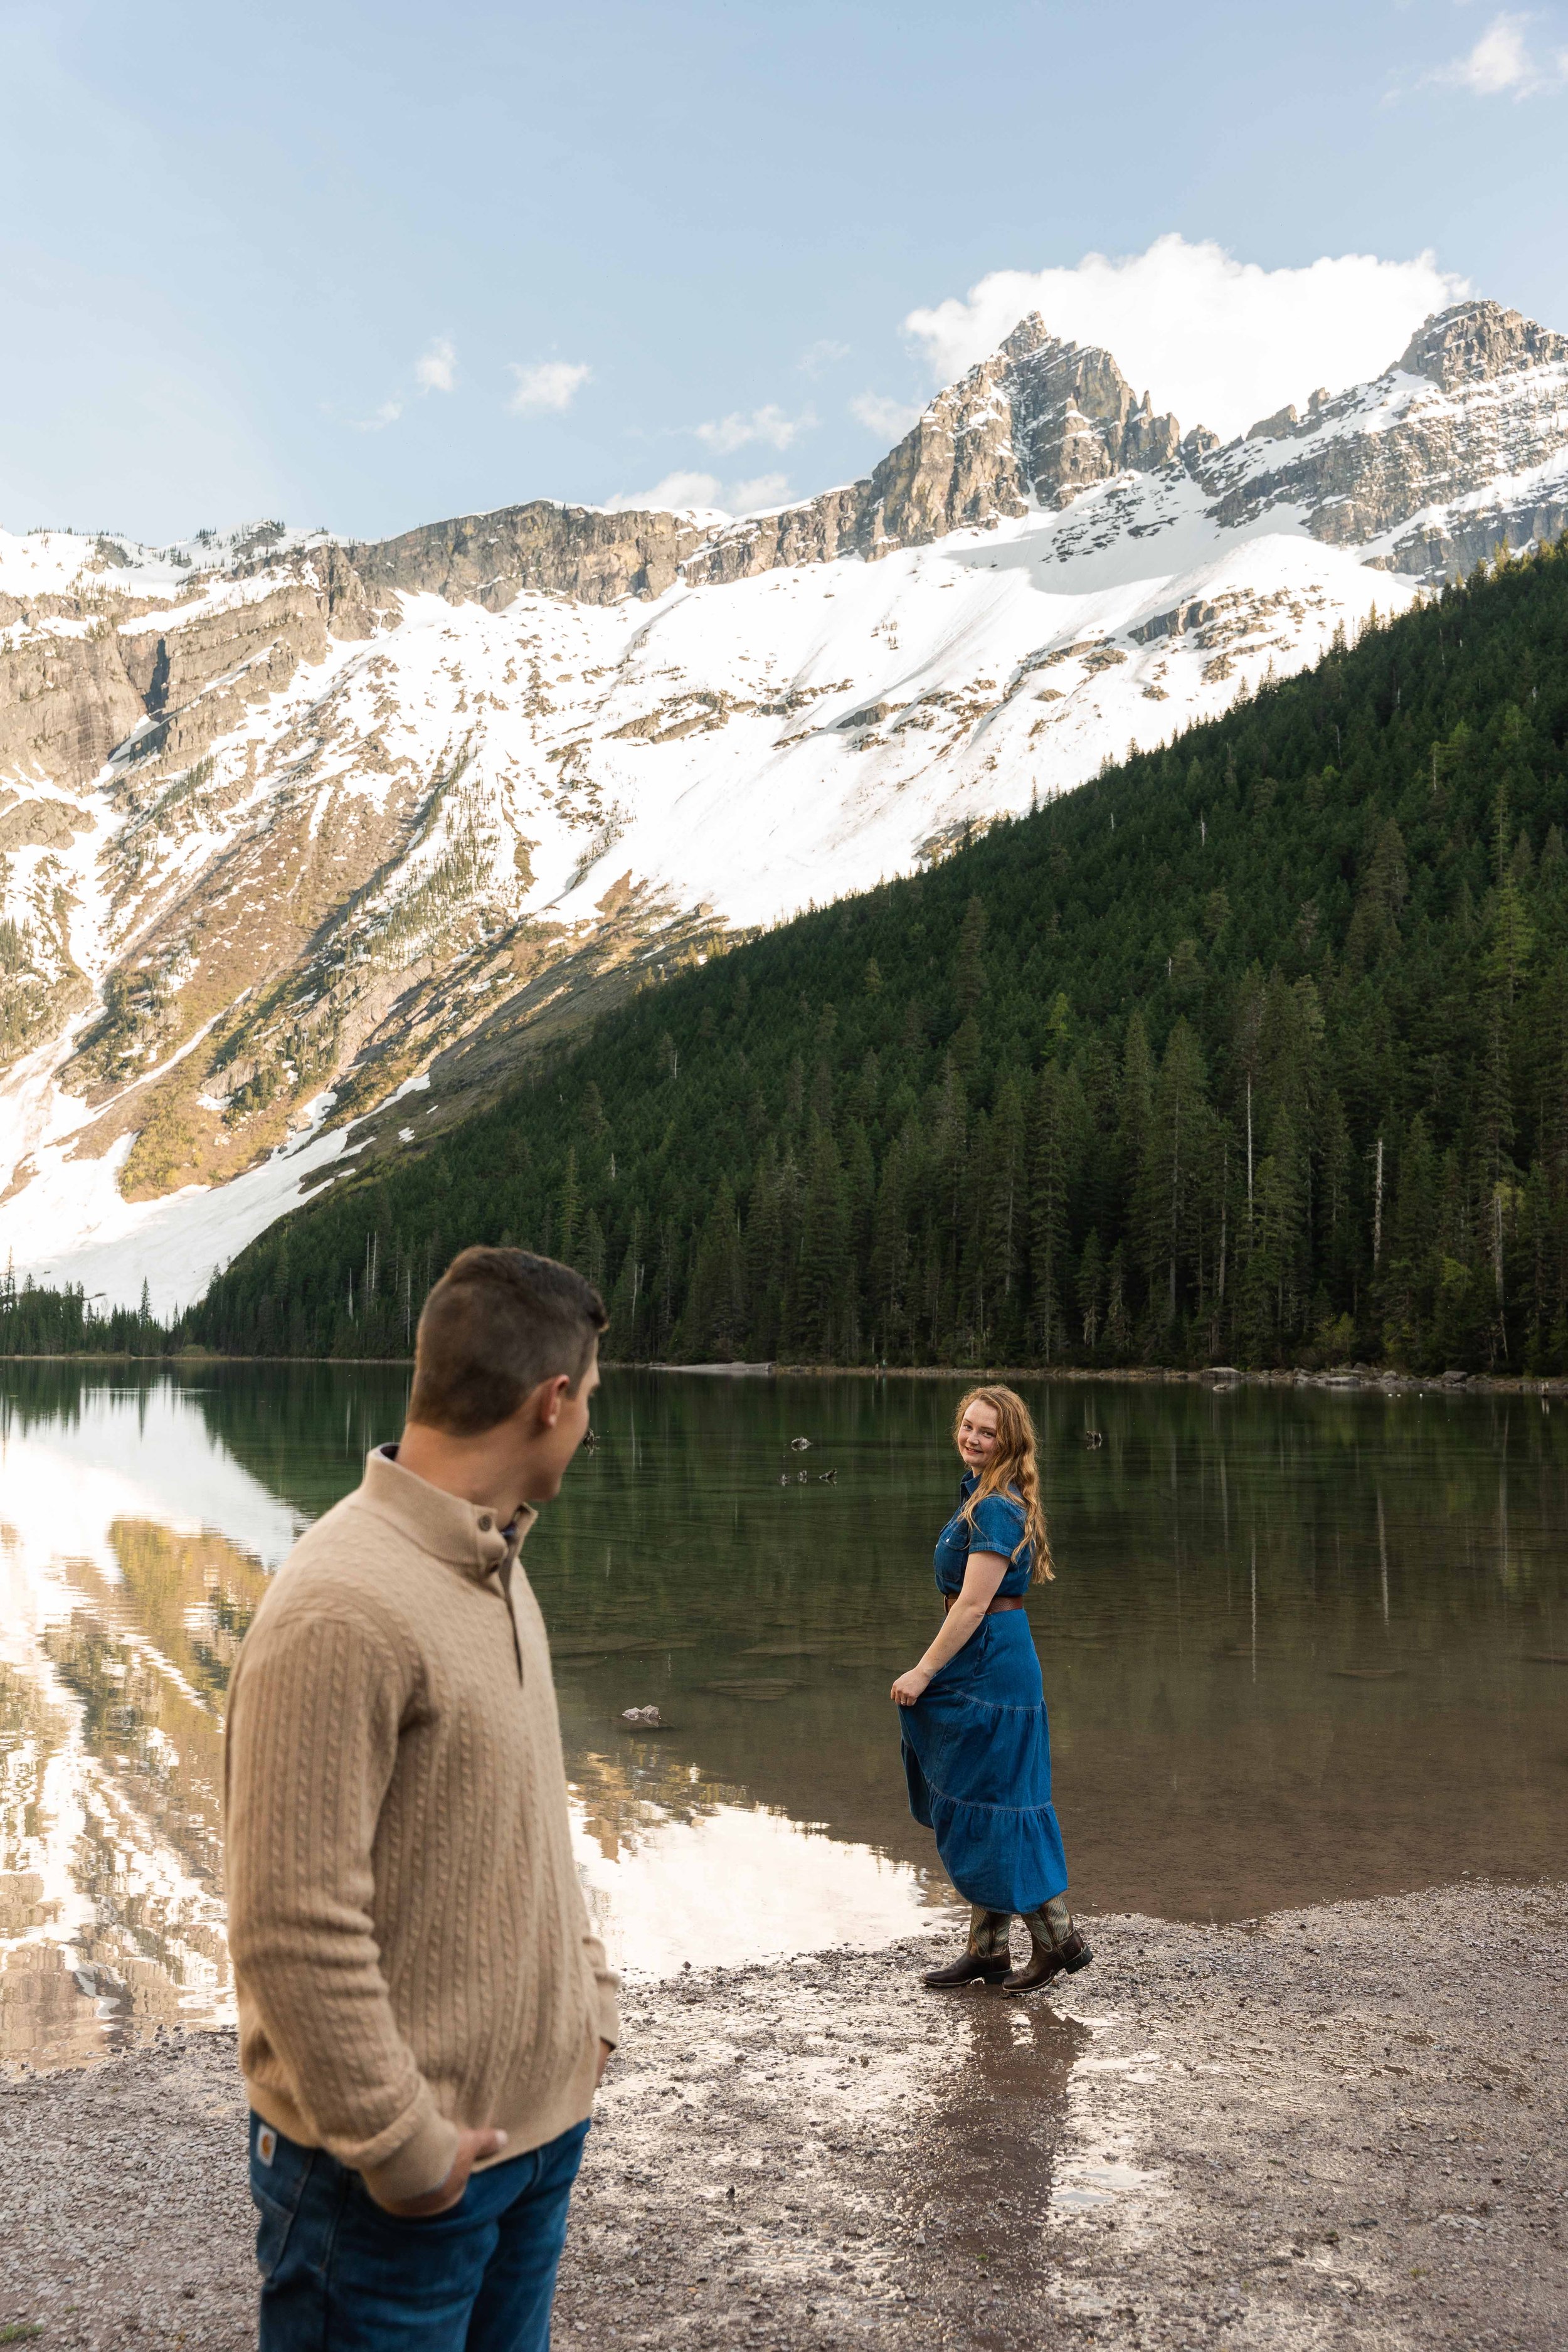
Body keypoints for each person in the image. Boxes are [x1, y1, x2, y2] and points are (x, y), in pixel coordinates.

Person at [224, 1247, 618, 2352]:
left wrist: (589, 2010)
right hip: (389, 2196)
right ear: (551, 1402)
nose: (589, 1422)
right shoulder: (341, 1607)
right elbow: (289, 1922)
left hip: (534, 2150)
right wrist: (401, 2148)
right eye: (591, 1398)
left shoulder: (495, 1559)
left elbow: (525, 1823)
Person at [892, 1384, 1092, 1994]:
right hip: (985, 1656)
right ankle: (988, 1950)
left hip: (991, 1662)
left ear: (1009, 1441)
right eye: (968, 1426)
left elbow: (974, 1605)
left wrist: (924, 1671)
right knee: (989, 1794)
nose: (973, 1438)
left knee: (1001, 1801)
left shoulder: (998, 1508)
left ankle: (1059, 1940)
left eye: (987, 1431)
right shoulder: (980, 1495)